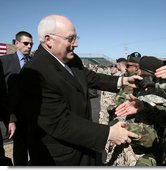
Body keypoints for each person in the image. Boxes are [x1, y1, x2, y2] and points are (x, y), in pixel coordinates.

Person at [18, 14, 141, 166]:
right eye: (70, 39)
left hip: (85, 148)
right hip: (62, 158)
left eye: (76, 38)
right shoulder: (34, 73)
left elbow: (91, 77)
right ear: (48, 39)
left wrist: (122, 80)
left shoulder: (72, 59)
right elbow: (59, 122)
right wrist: (109, 133)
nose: (76, 44)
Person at [0, 31, 33, 165]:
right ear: (17, 43)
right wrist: (10, 118)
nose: (29, 46)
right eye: (26, 43)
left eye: (31, 44)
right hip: (14, 115)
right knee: (20, 149)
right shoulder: (4, 62)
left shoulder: (33, 62)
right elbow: (2, 93)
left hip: (33, 114)